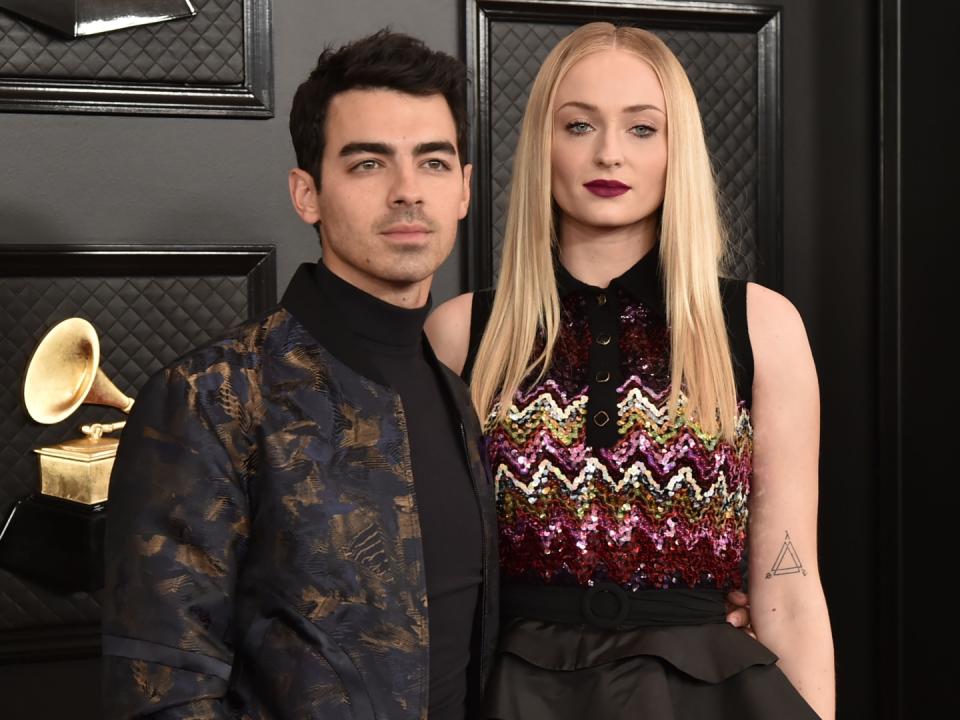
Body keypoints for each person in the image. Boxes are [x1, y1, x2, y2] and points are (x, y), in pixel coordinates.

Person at [427, 22, 834, 720]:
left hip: (708, 696)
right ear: (541, 147)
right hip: (513, 694)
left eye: (642, 129)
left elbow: (788, 582)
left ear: (678, 150)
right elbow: (430, 582)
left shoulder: (762, 325)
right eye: (579, 124)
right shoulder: (463, 332)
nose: (609, 152)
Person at [101, 31, 498, 720]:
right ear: (307, 193)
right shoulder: (210, 396)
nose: (408, 192)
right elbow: (163, 695)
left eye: (433, 163)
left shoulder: (453, 391)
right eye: (369, 163)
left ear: (463, 191)